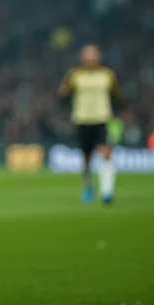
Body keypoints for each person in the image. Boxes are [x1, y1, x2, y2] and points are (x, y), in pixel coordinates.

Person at [58, 44, 123, 204]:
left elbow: (117, 96)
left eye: (94, 55)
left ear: (99, 57)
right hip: (82, 119)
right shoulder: (74, 75)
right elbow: (62, 94)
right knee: (86, 158)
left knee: (106, 152)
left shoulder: (107, 75)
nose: (91, 59)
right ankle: (88, 186)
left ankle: (107, 192)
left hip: (102, 119)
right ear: (82, 58)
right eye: (88, 56)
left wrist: (119, 115)